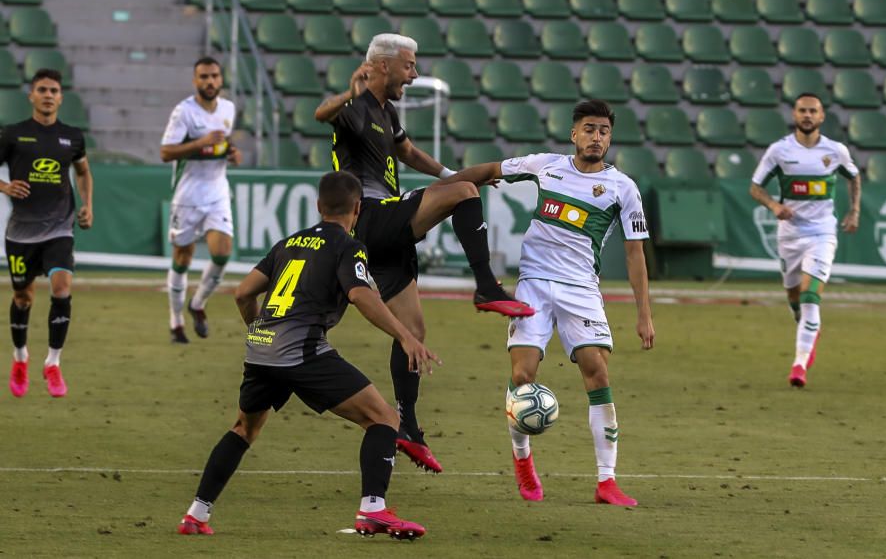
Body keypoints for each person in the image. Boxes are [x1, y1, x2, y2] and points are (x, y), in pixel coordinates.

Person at [314, 33, 533, 474]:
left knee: (412, 330)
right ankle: (486, 286)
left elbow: (407, 152)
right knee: (465, 194)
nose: (413, 75)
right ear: (383, 65)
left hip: (384, 238)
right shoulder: (355, 106)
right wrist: (349, 93)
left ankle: (407, 426)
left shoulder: (386, 111)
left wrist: (449, 173)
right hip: (371, 215)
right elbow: (322, 114)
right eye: (409, 66)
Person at [177, 170, 439, 540]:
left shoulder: (287, 243)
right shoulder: (349, 246)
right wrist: (406, 336)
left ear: (318, 206)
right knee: (384, 420)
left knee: (244, 429)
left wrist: (257, 331)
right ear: (358, 209)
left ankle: (195, 514)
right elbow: (362, 295)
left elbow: (242, 293)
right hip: (301, 351)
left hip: (261, 350)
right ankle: (373, 510)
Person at [439, 99, 655, 505]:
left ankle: (606, 482)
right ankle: (523, 460)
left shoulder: (622, 188)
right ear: (574, 133)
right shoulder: (545, 166)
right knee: (523, 377)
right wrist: (443, 184)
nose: (596, 137)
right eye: (589, 129)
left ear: (610, 138)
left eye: (604, 131)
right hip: (534, 285)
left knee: (598, 375)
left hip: (581, 291)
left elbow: (634, 253)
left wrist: (644, 313)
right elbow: (489, 171)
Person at [750, 93, 860, 388]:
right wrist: (774, 206)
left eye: (813, 111)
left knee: (811, 296)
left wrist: (854, 210)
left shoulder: (835, 151)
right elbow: (755, 187)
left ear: (822, 116)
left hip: (823, 232)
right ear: (794, 115)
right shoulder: (779, 151)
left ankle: (799, 365)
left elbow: (854, 176)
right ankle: (809, 329)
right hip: (790, 234)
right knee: (794, 297)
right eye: (802, 110)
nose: (808, 115)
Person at [0, 69, 93, 398]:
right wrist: (5, 186)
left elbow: (83, 171)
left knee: (62, 287)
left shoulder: (72, 136)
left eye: (54, 90)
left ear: (60, 97)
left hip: (59, 228)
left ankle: (53, 363)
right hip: (21, 233)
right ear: (31, 95)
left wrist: (87, 204)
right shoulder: (12, 134)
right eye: (42, 89)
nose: (48, 95)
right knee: (23, 298)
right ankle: (20, 357)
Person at [160, 56, 240, 344]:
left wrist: (232, 152)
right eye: (204, 77)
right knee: (183, 258)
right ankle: (176, 320)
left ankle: (198, 304)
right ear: (195, 81)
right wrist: (199, 143)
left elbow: (223, 143)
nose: (210, 82)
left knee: (222, 253)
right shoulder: (184, 112)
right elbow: (166, 152)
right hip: (188, 195)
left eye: (214, 76)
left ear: (221, 79)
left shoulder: (229, 108)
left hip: (217, 192)